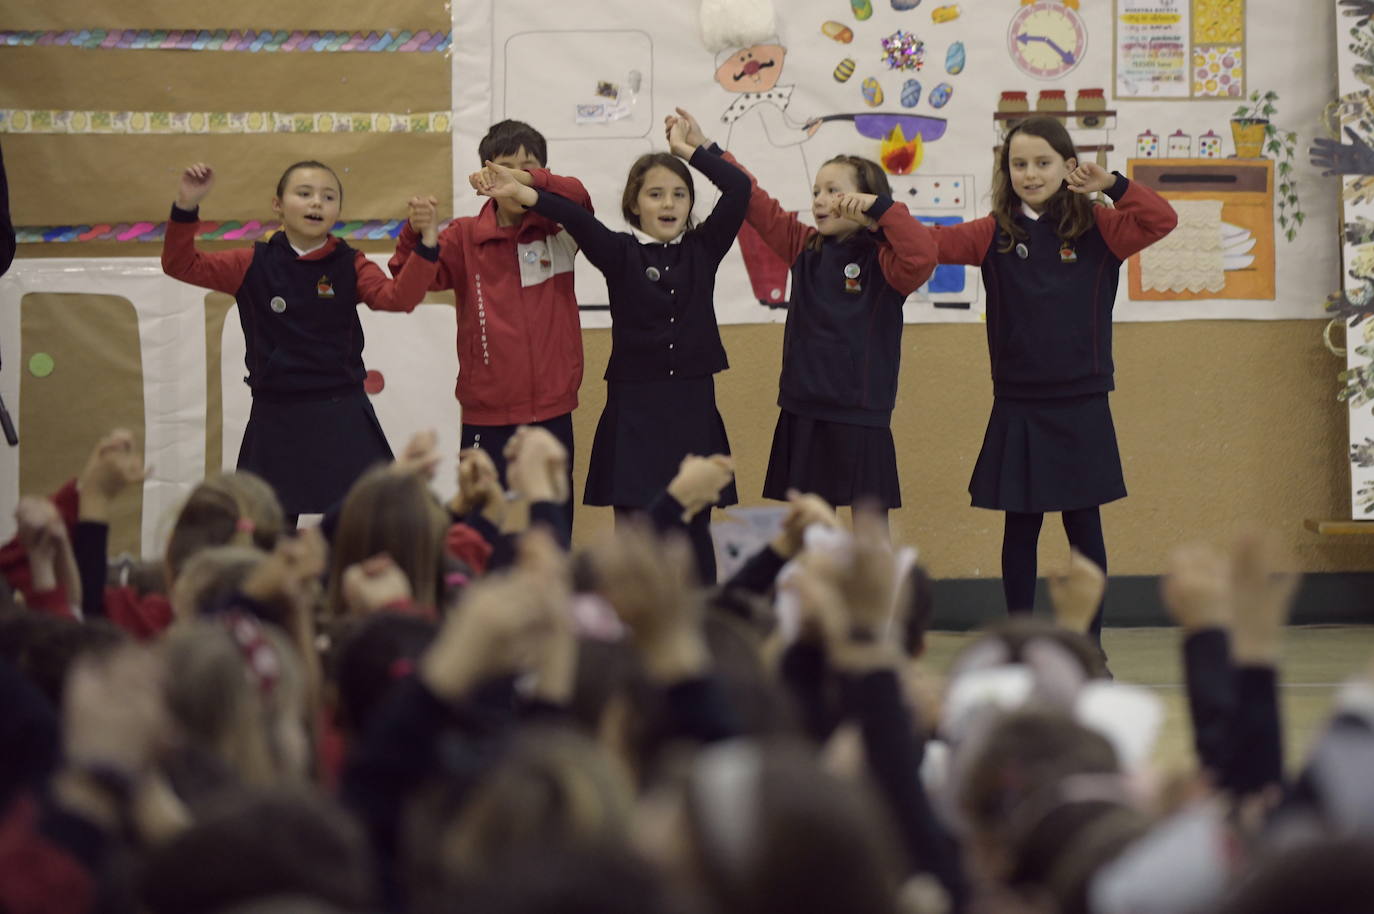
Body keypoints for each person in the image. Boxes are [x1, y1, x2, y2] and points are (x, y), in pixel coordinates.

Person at [473, 108, 747, 583]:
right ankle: (631, 626)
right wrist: (525, 193)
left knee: (693, 530)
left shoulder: (704, 249)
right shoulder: (620, 254)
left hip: (693, 407)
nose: (668, 203)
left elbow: (740, 189)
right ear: (634, 204)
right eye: (655, 193)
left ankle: (699, 624)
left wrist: (695, 151)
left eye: (679, 194)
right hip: (634, 410)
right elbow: (573, 215)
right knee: (637, 532)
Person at [930, 116, 1177, 640]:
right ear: (1007, 170)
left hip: (1081, 399)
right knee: (1020, 525)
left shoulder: (1100, 226)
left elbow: (1161, 220)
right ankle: (1018, 638)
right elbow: (929, 245)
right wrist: (879, 214)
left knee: (1084, 523)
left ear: (1068, 166)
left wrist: (1111, 184)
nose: (1030, 174)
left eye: (1042, 163)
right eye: (1019, 164)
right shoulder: (992, 232)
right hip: (1018, 401)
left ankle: (1089, 643)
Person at [161, 161, 441, 520]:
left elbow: (398, 298)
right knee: (265, 530)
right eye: (304, 194)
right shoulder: (250, 263)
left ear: (338, 210)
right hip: (275, 416)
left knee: (374, 522)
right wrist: (187, 205)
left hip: (343, 412)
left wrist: (428, 241)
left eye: (328, 197)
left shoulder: (351, 263)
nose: (316, 204)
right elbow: (179, 264)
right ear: (277, 204)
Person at [705, 114, 937, 521]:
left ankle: (871, 588)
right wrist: (704, 148)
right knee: (813, 526)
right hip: (804, 409)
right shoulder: (802, 245)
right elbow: (754, 199)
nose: (819, 199)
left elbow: (923, 253)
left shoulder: (887, 260)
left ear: (864, 198)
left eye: (833, 190)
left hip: (861, 413)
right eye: (816, 190)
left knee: (868, 525)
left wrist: (881, 211)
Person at [389, 120, 590, 500]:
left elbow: (580, 197)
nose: (514, 177)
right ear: (485, 172)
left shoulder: (559, 228)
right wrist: (416, 235)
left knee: (551, 529)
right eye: (503, 166)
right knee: (481, 532)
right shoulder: (464, 236)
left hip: (552, 412)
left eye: (527, 167)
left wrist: (527, 182)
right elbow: (406, 282)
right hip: (487, 415)